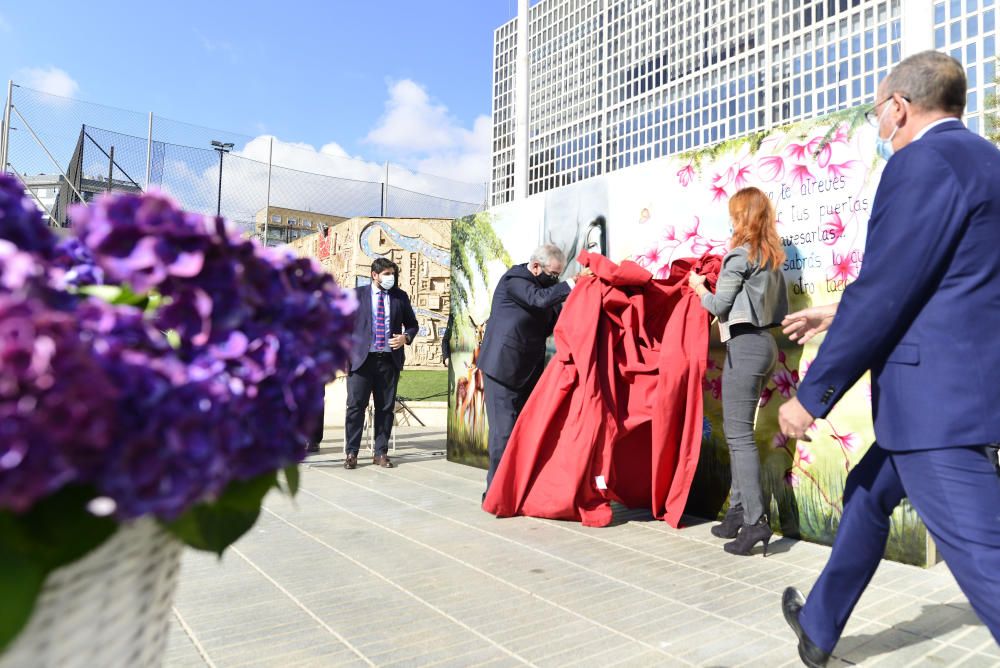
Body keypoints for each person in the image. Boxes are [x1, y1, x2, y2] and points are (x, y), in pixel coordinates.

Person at [776, 51, 1000, 666]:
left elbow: (886, 291)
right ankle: (819, 627)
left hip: (936, 411)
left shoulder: (921, 162)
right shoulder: (988, 162)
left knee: (987, 561)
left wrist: (809, 396)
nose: (879, 128)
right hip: (957, 391)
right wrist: (837, 316)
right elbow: (945, 284)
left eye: (878, 113)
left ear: (899, 107)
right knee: (868, 495)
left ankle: (819, 627)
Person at [688, 186, 789, 557]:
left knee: (739, 437)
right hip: (765, 346)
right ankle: (737, 512)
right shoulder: (771, 258)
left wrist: (699, 285)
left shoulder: (738, 256)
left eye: (734, 214)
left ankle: (755, 522)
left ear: (742, 217)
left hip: (744, 346)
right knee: (739, 435)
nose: (730, 220)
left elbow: (717, 304)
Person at [477, 244, 580, 496]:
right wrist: (572, 284)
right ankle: (496, 494)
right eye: (553, 274)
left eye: (559, 275)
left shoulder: (545, 288)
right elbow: (538, 300)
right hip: (502, 369)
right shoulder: (516, 279)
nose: (555, 279)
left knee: (526, 432)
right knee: (504, 434)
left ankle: (521, 489)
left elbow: (556, 322)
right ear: (536, 266)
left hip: (528, 371)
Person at [344, 258, 419, 470]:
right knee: (355, 407)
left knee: (385, 408)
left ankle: (380, 453)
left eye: (392, 274)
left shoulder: (399, 296)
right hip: (361, 361)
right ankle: (352, 453)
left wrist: (405, 337)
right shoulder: (356, 296)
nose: (390, 278)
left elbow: (413, 325)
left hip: (388, 361)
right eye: (386, 274)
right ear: (374, 275)